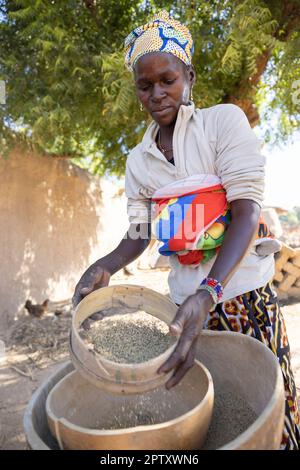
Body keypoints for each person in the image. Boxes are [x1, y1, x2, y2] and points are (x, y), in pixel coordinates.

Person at [72, 10, 300, 449]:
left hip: (241, 297)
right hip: (182, 308)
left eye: (168, 80)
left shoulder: (222, 124)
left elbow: (247, 211)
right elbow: (139, 233)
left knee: (268, 405)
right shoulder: (139, 160)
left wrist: (209, 291)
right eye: (145, 85)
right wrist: (105, 265)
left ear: (188, 76)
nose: (157, 94)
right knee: (208, 415)